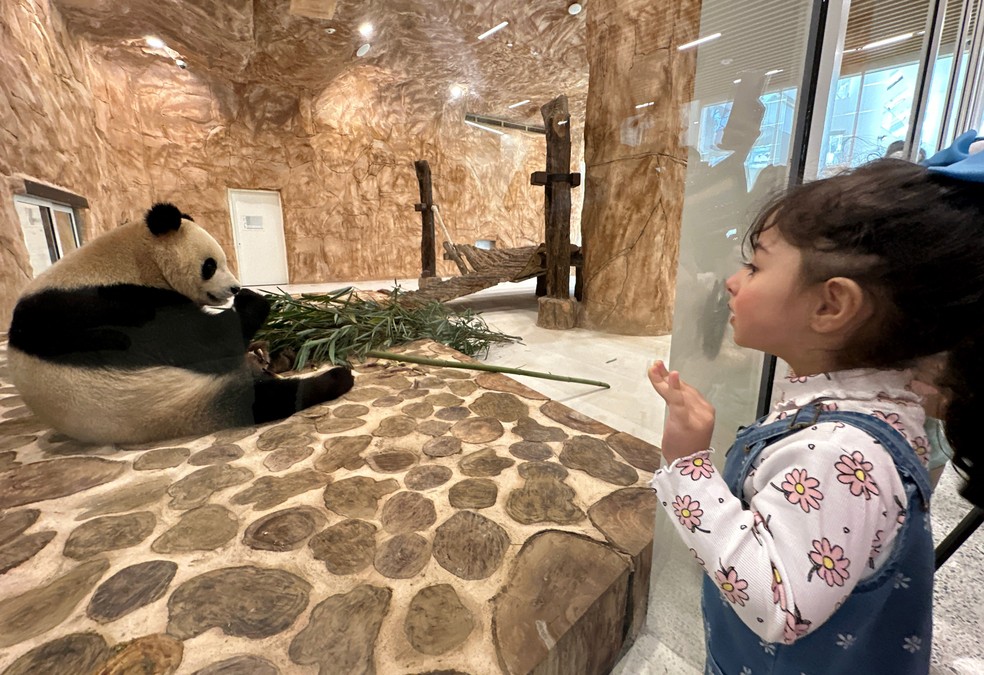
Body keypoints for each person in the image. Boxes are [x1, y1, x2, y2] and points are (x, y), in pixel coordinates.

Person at [648, 129, 984, 675]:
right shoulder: (879, 404)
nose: (733, 282)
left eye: (755, 266)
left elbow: (779, 602)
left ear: (831, 305)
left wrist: (688, 466)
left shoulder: (839, 453)